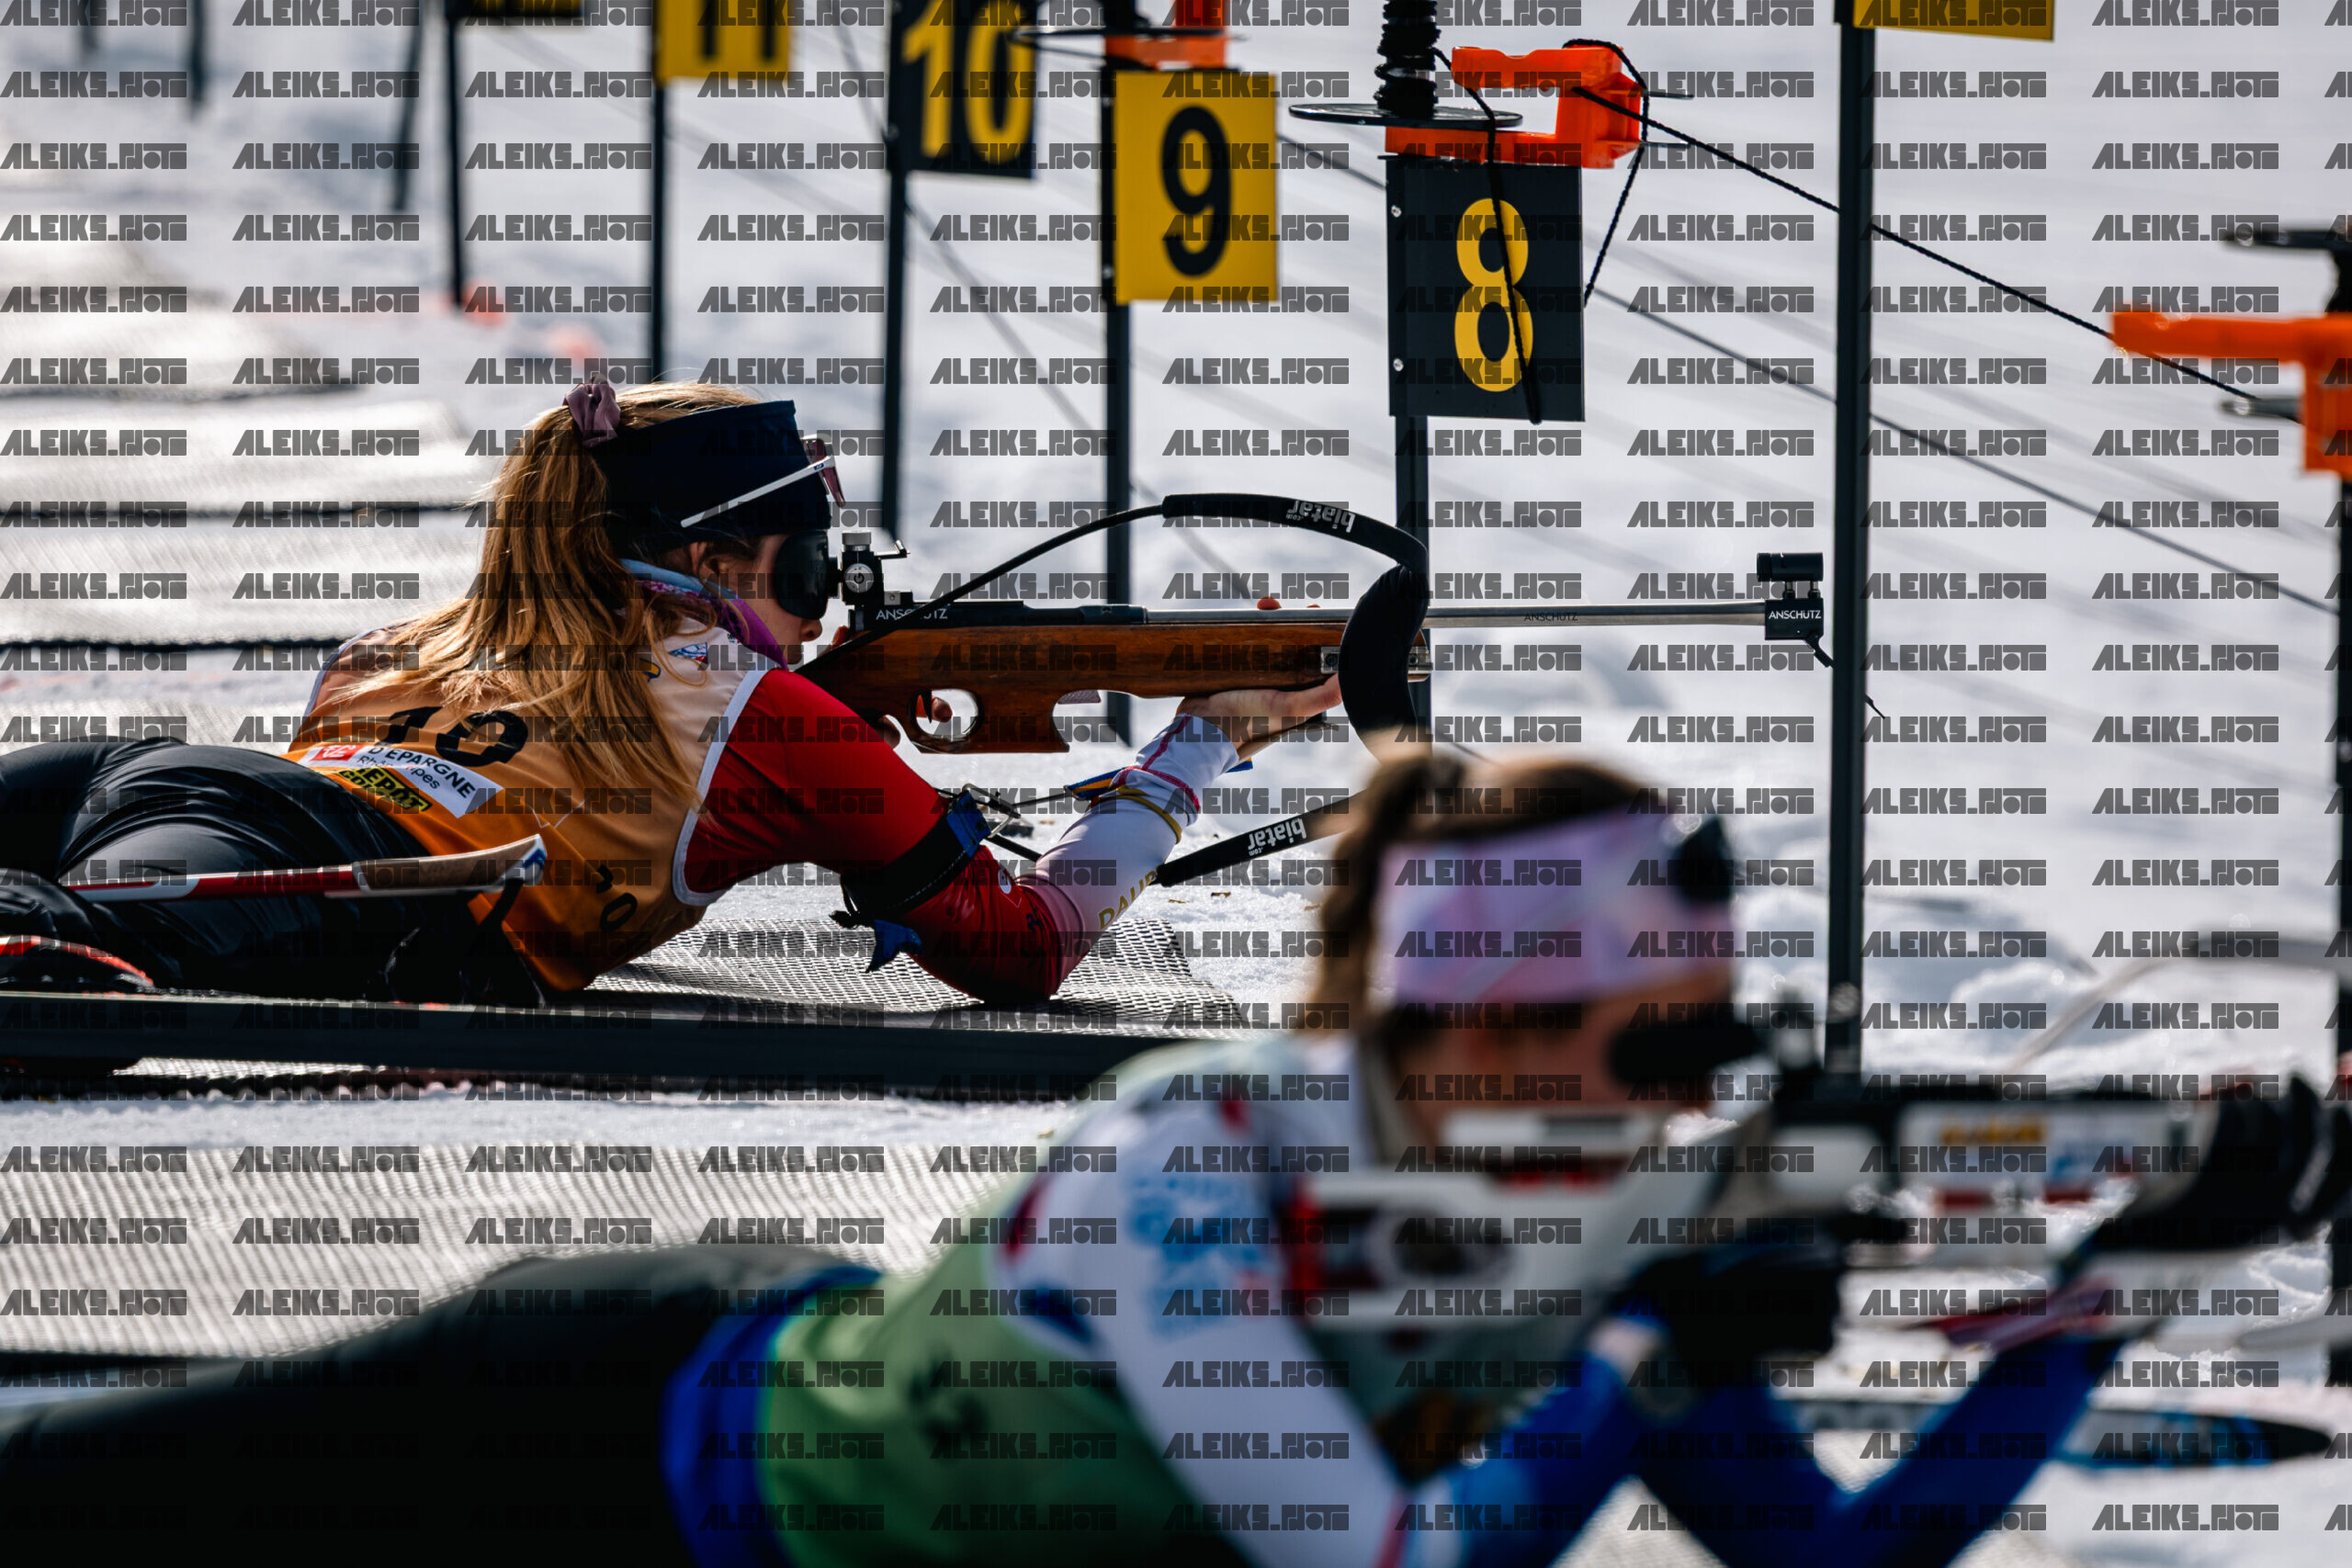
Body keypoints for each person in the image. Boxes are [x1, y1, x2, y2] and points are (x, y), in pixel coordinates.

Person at [3, 751, 2336, 1564]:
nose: (1683, 1089)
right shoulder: (1196, 1140)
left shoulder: (1602, 1244)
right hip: (609, 1428)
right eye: (1656, 1035)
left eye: (1706, 1041)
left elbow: (1828, 1550)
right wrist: (1635, 1359)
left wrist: (2109, 1286)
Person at [0, 382, 1336, 1006]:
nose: (826, 595)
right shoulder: (769, 718)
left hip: (163, 791)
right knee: (67, 977)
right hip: (341, 881)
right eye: (806, 563)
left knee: (70, 939)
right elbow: (1023, 945)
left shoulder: (404, 639)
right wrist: (1195, 752)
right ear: (710, 563)